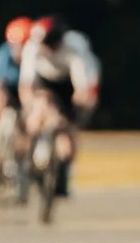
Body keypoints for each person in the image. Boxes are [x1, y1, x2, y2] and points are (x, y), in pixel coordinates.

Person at [17, 17, 101, 195]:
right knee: (37, 111)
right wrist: (31, 108)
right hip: (45, 82)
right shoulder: (32, 47)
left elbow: (83, 87)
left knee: (68, 129)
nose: (46, 50)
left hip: (70, 82)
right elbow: (26, 84)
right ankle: (28, 160)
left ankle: (63, 170)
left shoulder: (75, 48)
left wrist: (74, 113)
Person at [0, 16, 33, 174]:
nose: (17, 50)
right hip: (10, 92)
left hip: (30, 92)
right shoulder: (3, 53)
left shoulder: (36, 55)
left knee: (27, 127)